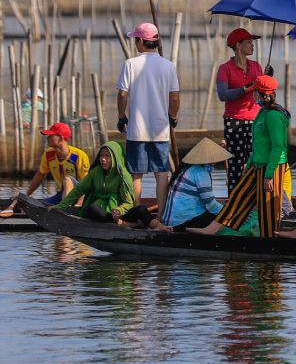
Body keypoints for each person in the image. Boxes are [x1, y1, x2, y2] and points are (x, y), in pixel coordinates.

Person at [213, 75, 291, 237]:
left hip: (271, 166)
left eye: (255, 92)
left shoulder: (274, 115)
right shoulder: (263, 112)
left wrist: (269, 175)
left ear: (260, 94)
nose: (253, 96)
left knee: (268, 210)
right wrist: (249, 166)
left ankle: (270, 244)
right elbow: (257, 145)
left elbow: (278, 147)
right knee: (238, 196)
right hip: (257, 164)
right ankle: (215, 229)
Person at [117, 21, 180, 213]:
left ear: (141, 41)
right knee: (162, 174)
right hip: (160, 130)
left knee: (136, 174)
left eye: (136, 40)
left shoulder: (130, 64)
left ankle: (137, 213)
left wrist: (121, 116)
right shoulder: (168, 66)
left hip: (137, 130)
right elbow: (175, 96)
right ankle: (161, 215)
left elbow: (122, 94)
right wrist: (173, 116)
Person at [57, 141, 154, 226]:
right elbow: (79, 190)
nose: (103, 159)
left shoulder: (123, 176)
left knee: (141, 209)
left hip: (119, 213)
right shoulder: (96, 172)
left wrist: (119, 210)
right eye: (101, 156)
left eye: (107, 156)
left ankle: (159, 226)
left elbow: (129, 203)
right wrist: (61, 206)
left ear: (115, 158)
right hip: (103, 212)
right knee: (92, 208)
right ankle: (127, 224)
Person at [215, 27, 265, 190]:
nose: (252, 45)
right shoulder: (225, 68)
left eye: (252, 42)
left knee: (256, 161)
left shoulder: (257, 66)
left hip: (256, 120)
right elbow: (223, 94)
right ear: (238, 45)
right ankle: (234, 204)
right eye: (249, 42)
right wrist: (246, 88)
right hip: (233, 121)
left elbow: (262, 95)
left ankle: (254, 202)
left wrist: (266, 83)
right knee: (235, 165)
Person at [4, 122, 91, 215]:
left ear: (61, 138)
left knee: (67, 179)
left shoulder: (78, 156)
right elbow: (40, 175)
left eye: (50, 135)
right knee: (32, 205)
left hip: (80, 195)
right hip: (60, 195)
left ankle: (65, 209)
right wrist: (27, 196)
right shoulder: (48, 154)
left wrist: (79, 205)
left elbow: (85, 185)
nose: (47, 137)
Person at [158, 137, 229, 231]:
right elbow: (211, 206)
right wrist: (230, 214)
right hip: (182, 223)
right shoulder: (201, 172)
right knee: (222, 216)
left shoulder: (187, 168)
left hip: (171, 221)